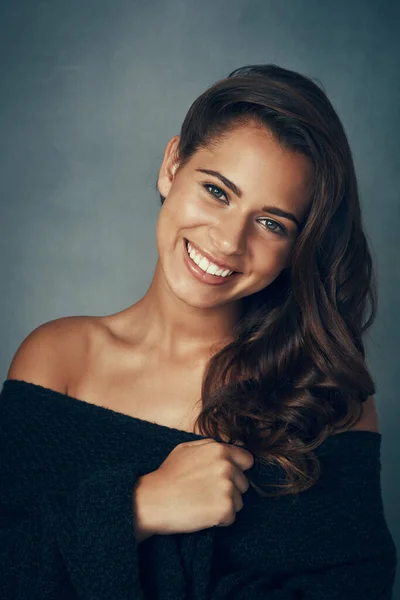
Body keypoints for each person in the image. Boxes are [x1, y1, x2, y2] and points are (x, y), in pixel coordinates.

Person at [0, 64, 397, 599]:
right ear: (171, 166)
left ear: (297, 248)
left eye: (272, 223)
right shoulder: (56, 359)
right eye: (217, 191)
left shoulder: (327, 400)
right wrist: (140, 506)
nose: (230, 241)